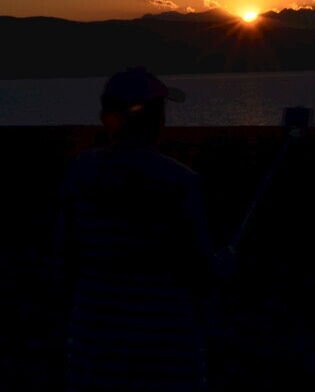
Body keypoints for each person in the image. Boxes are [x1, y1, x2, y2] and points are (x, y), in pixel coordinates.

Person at [57, 67, 231, 392]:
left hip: (92, 344)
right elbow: (200, 269)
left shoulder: (81, 172)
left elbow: (66, 256)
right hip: (166, 349)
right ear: (154, 118)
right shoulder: (180, 182)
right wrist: (223, 265)